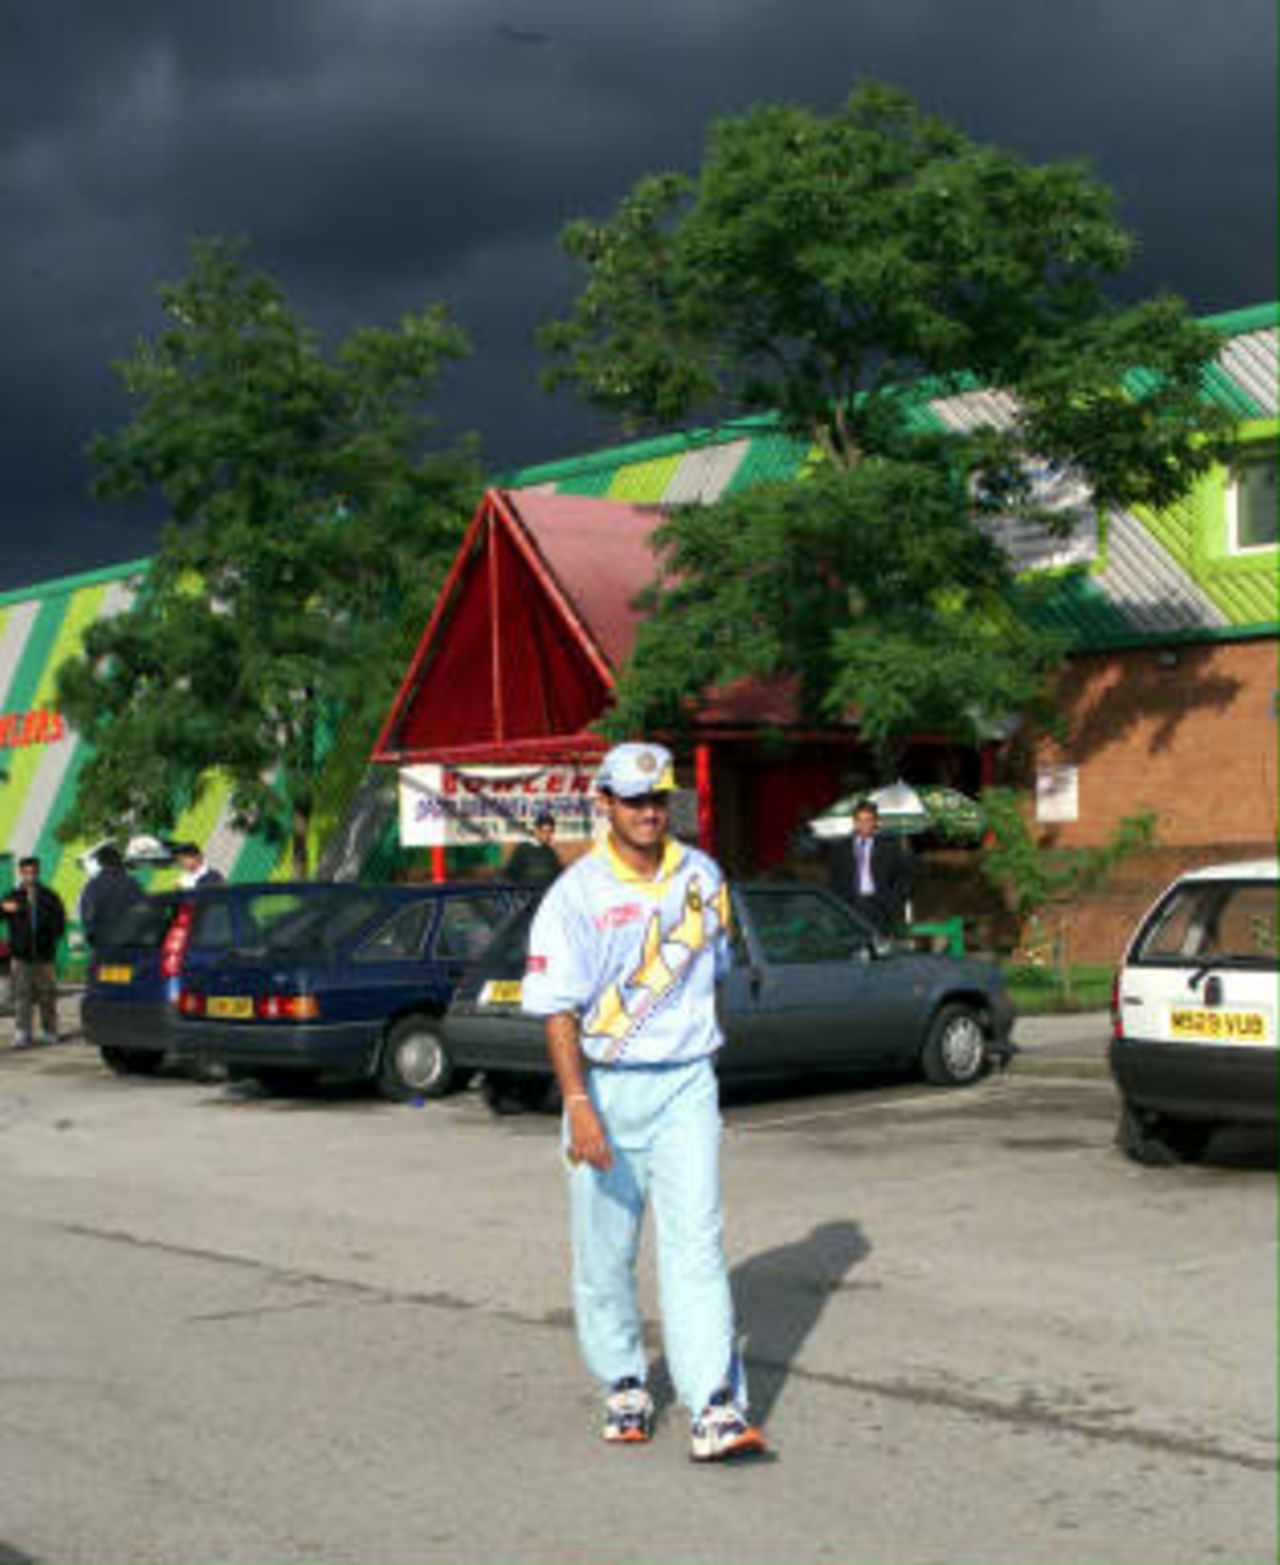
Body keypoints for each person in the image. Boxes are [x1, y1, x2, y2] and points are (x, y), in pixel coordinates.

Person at [522, 741, 766, 1463]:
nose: (649, 811)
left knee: (695, 1244)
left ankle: (713, 1404)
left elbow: (712, 971)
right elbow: (557, 1011)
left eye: (659, 798)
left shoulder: (703, 875)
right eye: (634, 800)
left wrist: (697, 1050)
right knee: (606, 1252)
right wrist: (578, 1102)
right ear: (604, 804)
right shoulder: (575, 894)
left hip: (687, 1081)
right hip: (603, 1085)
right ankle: (624, 1379)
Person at [1, 856, 67, 1048]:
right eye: (26, 872)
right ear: (21, 873)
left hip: (44, 954)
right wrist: (3, 907)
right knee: (22, 995)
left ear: (38, 873)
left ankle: (49, 1031)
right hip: (22, 955)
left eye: (33, 872)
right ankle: (22, 1033)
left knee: (47, 994)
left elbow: (60, 922)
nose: (30, 876)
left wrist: (50, 937)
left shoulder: (49, 896)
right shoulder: (12, 896)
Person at [828, 798, 914, 934]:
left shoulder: (889, 847)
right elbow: (834, 879)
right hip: (850, 907)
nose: (864, 824)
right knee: (853, 948)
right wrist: (839, 905)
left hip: (879, 907)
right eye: (860, 820)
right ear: (854, 823)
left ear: (875, 823)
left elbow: (905, 877)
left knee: (880, 949)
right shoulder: (841, 848)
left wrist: (893, 901)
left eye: (868, 820)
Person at [78, 844, 146, 948]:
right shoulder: (133, 883)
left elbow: (87, 915)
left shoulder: (92, 885)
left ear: (101, 863)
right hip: (130, 943)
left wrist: (92, 938)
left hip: (103, 944)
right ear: (119, 861)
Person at [503, 812, 563, 885]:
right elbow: (511, 873)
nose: (547, 835)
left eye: (550, 832)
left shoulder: (551, 853)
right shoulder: (522, 849)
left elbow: (559, 875)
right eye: (544, 831)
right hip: (528, 893)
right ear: (536, 831)